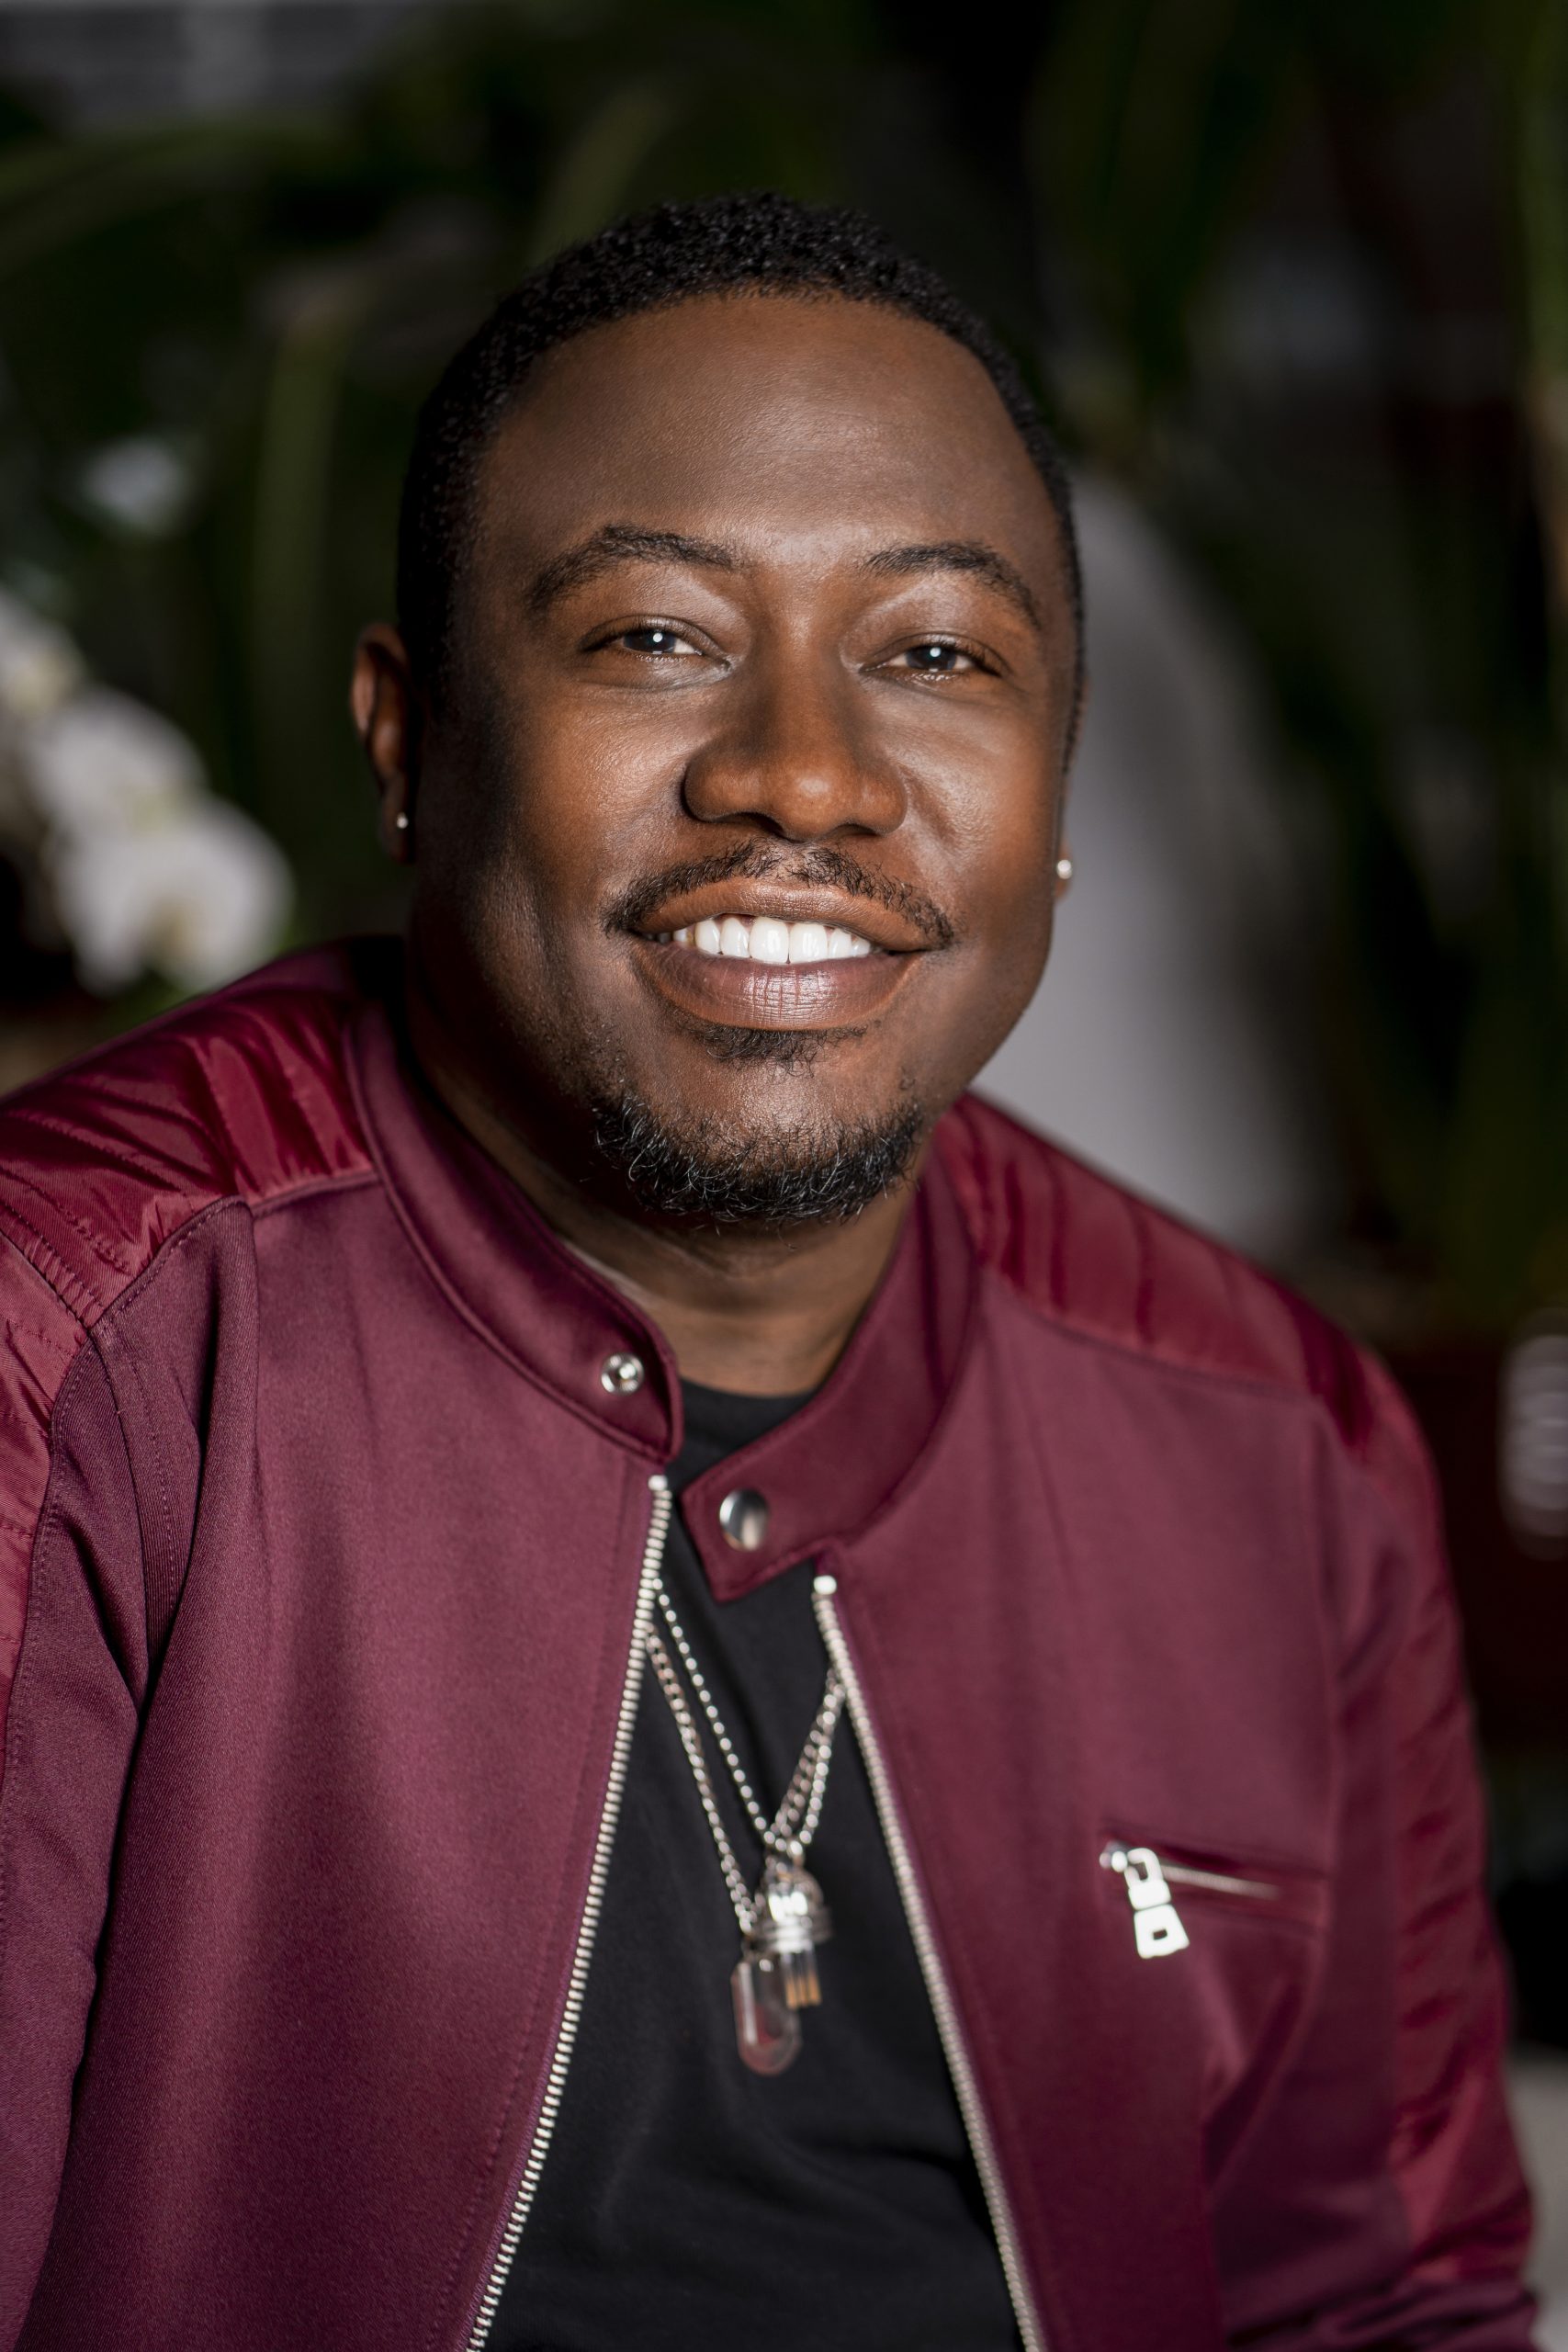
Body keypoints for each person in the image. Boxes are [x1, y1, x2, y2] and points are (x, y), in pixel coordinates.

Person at [0, 194, 1537, 2352]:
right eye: (651, 636)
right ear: (406, 742)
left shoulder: (1270, 1444)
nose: (801, 774)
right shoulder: (74, 1342)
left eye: (936, 655)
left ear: (1053, 777)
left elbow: (1378, 2301)